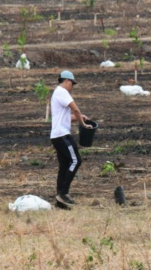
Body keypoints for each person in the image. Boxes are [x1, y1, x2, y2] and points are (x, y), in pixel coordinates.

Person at [50, 70, 92, 208]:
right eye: (72, 84)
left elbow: (67, 117)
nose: (72, 87)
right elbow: (76, 110)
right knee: (75, 160)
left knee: (64, 166)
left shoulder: (57, 93)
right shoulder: (62, 92)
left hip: (56, 135)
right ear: (67, 81)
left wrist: (80, 118)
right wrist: (83, 124)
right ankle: (63, 193)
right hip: (62, 135)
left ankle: (59, 202)